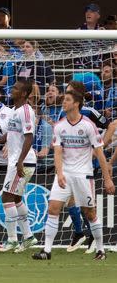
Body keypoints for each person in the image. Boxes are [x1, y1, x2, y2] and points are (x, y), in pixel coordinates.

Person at [32, 90, 115, 261]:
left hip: (83, 175)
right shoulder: (60, 125)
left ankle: (100, 249)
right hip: (65, 175)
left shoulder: (88, 125)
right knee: (53, 209)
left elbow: (99, 153)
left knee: (90, 213)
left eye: (67, 100)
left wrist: (107, 179)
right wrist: (60, 173)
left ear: (76, 103)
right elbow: (57, 151)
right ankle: (46, 251)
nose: (64, 102)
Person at [0, 80, 38, 253]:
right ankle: (28, 237)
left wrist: (20, 161)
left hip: (22, 161)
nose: (11, 90)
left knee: (7, 198)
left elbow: (29, 137)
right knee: (15, 199)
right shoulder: (15, 110)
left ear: (23, 93)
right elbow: (11, 133)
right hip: (17, 160)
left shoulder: (27, 111)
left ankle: (12, 240)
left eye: (15, 88)